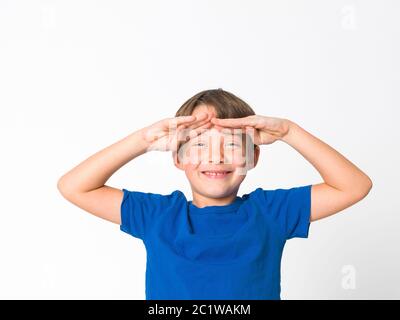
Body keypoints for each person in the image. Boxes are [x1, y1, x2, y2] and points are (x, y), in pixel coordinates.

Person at [57, 88, 372, 299]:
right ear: (177, 157)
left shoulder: (271, 212)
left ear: (253, 157)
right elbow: (74, 186)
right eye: (199, 145)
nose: (216, 157)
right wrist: (144, 140)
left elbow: (354, 186)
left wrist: (290, 132)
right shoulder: (157, 216)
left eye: (232, 144)